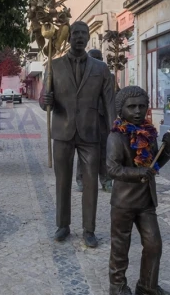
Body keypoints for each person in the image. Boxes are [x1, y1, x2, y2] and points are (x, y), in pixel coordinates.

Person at [41, 21, 115, 247]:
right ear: (69, 37)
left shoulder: (101, 69)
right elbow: (45, 101)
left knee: (91, 182)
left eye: (84, 33)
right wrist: (46, 102)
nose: (80, 37)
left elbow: (109, 104)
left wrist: (114, 135)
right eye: (76, 33)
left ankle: (89, 229)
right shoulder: (53, 66)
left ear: (88, 36)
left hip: (90, 133)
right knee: (62, 181)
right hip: (62, 131)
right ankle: (63, 225)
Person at [106, 85, 170, 295]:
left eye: (142, 106)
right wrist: (138, 173)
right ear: (121, 109)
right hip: (124, 203)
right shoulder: (116, 137)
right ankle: (117, 285)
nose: (137, 111)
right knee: (120, 246)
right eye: (132, 107)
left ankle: (147, 284)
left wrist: (166, 150)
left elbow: (154, 165)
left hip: (146, 202)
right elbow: (112, 170)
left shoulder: (148, 134)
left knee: (154, 243)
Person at [77, 48, 112, 193]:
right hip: (86, 120)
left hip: (103, 121)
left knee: (105, 151)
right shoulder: (81, 78)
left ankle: (106, 180)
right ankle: (82, 180)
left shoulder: (109, 76)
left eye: (99, 58)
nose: (97, 62)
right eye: (94, 58)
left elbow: (113, 100)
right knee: (84, 151)